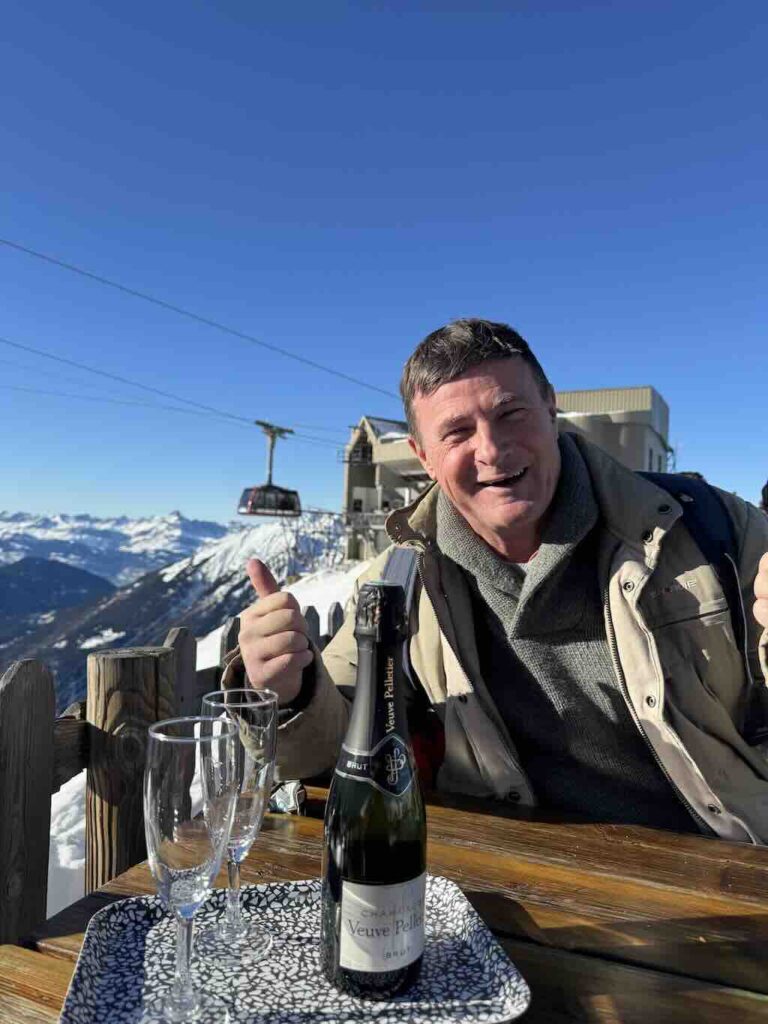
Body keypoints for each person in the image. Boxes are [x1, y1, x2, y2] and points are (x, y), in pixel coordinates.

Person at [225, 318, 768, 843]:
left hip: (721, 860)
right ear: (424, 457)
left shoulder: (706, 529)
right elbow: (341, 735)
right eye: (458, 431)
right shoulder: (400, 582)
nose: (491, 449)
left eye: (511, 414)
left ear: (551, 408)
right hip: (508, 873)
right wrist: (289, 693)